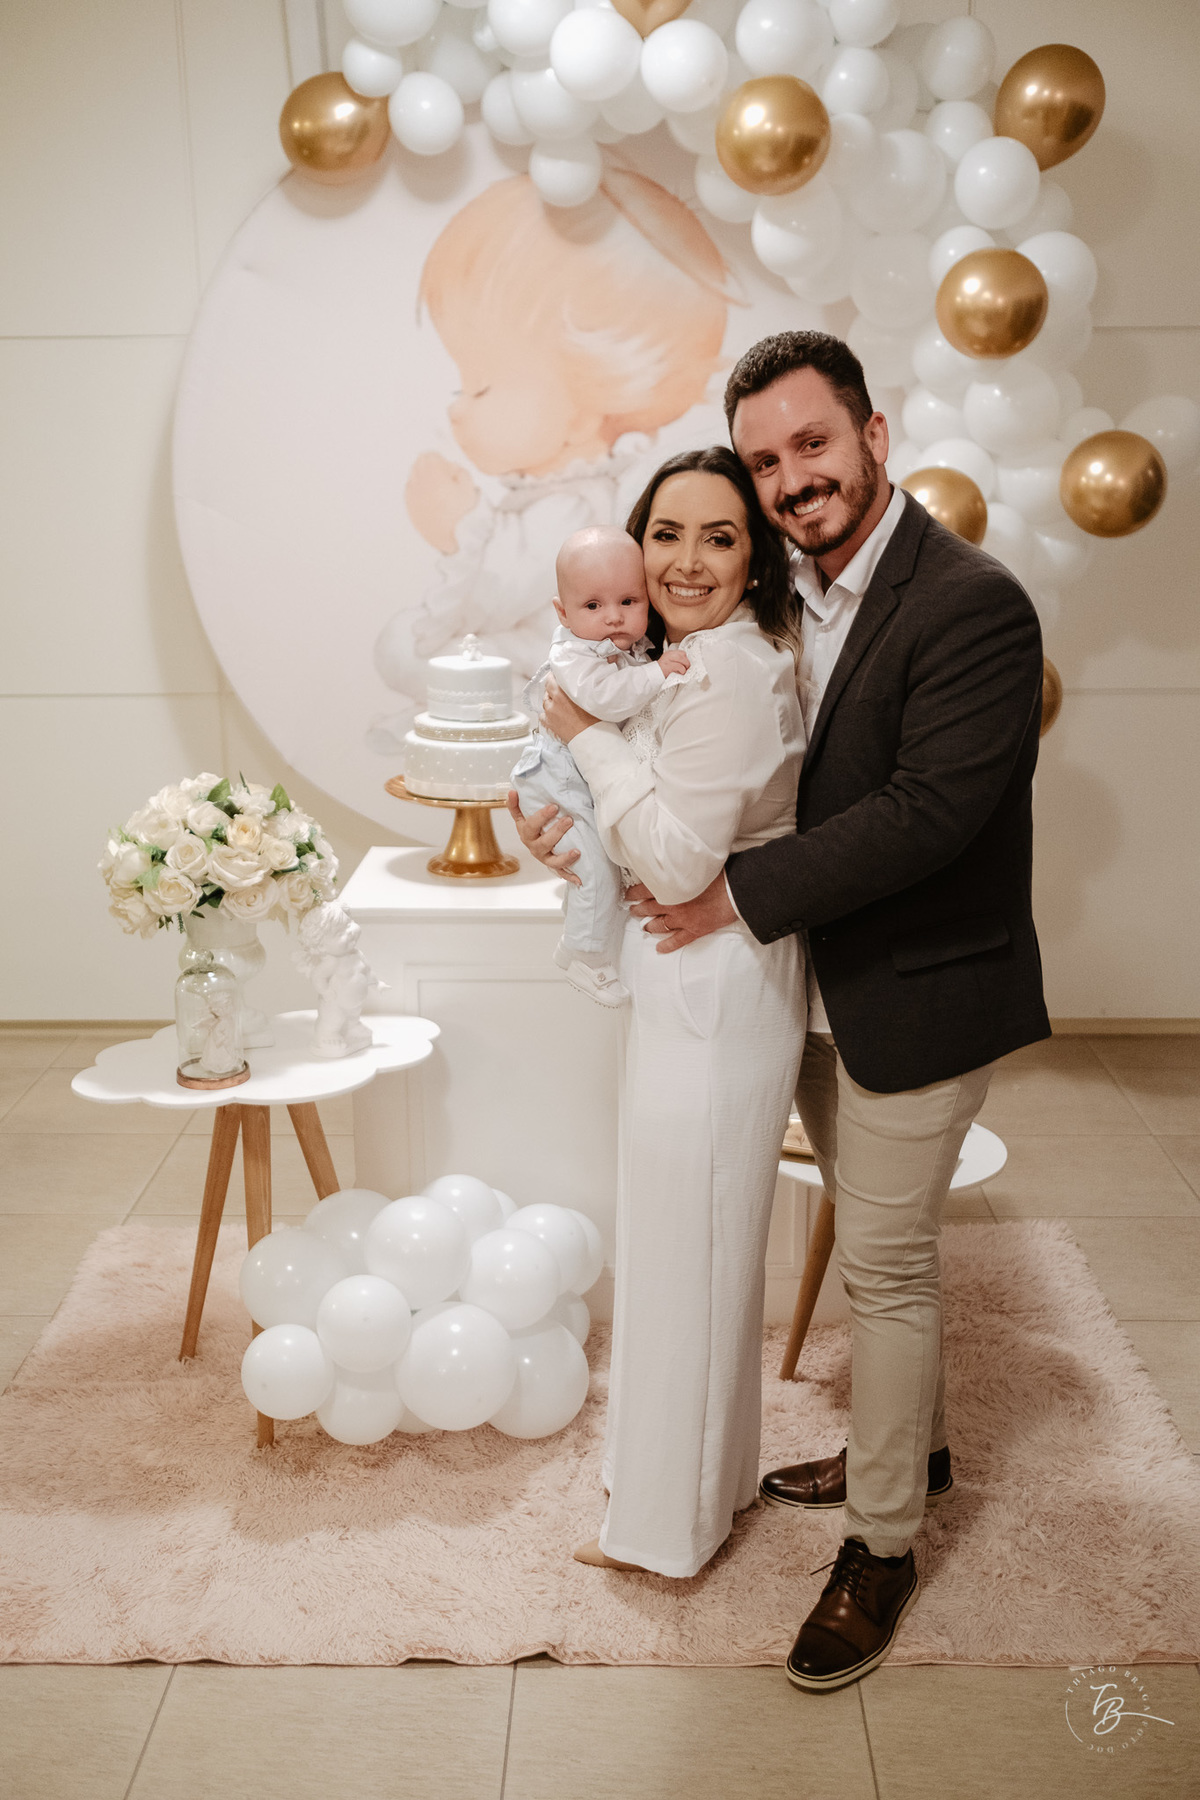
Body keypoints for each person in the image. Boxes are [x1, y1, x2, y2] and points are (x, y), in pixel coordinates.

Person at [512, 331, 1049, 1690]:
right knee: (869, 1238)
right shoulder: (786, 597)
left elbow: (926, 814)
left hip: (918, 982)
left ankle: (883, 1548)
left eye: (812, 444)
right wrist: (569, 813)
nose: (792, 476)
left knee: (887, 1265)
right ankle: (912, 1452)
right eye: (766, 460)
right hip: (812, 982)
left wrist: (732, 894)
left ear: (875, 434)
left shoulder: (972, 602)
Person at [530, 446, 807, 1577]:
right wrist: (564, 815)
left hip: (719, 987)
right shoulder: (676, 661)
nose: (688, 561)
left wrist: (584, 738)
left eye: (720, 537)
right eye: (667, 534)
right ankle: (699, 1490)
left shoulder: (727, 673)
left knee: (689, 1257)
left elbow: (680, 861)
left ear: (757, 557)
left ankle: (664, 1530)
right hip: (694, 982)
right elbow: (631, 827)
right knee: (690, 1248)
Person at [369, 167, 734, 754]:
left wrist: (460, 532)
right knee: (405, 647)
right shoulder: (557, 495)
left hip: (560, 680)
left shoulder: (567, 510)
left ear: (586, 393)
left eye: (480, 384)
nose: (457, 407)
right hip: (537, 662)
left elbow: (489, 598)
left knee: (404, 647)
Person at [511, 526, 690, 1008]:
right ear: (563, 613)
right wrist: (657, 672)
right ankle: (585, 957)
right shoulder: (574, 656)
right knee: (594, 869)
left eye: (629, 601)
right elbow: (607, 701)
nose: (613, 616)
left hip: (576, 780)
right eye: (593, 605)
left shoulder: (621, 646)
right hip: (557, 779)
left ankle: (580, 943)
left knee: (596, 861)